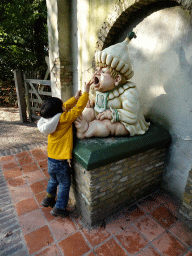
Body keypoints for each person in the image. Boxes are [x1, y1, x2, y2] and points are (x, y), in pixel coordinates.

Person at [75, 32, 150, 138]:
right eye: (97, 70)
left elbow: (132, 116)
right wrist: (92, 102)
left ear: (117, 79)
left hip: (126, 123)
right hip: (102, 115)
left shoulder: (129, 92)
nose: (96, 73)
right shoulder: (103, 88)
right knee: (89, 112)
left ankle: (86, 130)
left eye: (103, 72)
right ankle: (79, 123)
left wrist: (113, 114)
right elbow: (100, 104)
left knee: (106, 125)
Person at [37, 81, 92, 217]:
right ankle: (60, 207)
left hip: (51, 159)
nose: (64, 106)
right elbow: (78, 109)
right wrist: (86, 91)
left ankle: (48, 198)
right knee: (64, 183)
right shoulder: (63, 119)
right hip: (60, 162)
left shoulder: (48, 120)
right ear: (59, 111)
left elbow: (65, 107)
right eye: (62, 105)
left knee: (53, 180)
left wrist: (74, 98)